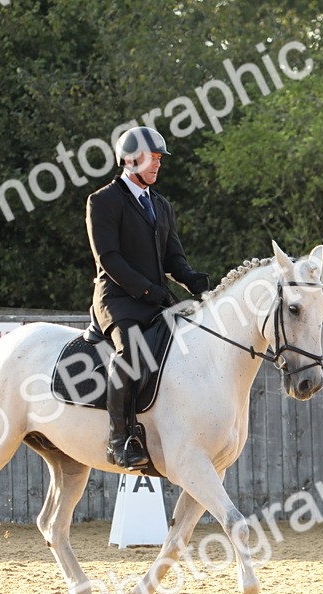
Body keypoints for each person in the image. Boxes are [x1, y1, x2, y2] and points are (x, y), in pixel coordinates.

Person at [85, 126, 209, 469]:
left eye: (158, 159)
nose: (157, 164)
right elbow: (109, 259)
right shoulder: (103, 201)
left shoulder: (161, 205)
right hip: (119, 301)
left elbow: (174, 259)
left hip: (156, 302)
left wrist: (195, 282)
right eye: (150, 158)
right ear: (129, 159)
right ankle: (119, 440)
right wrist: (149, 291)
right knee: (131, 355)